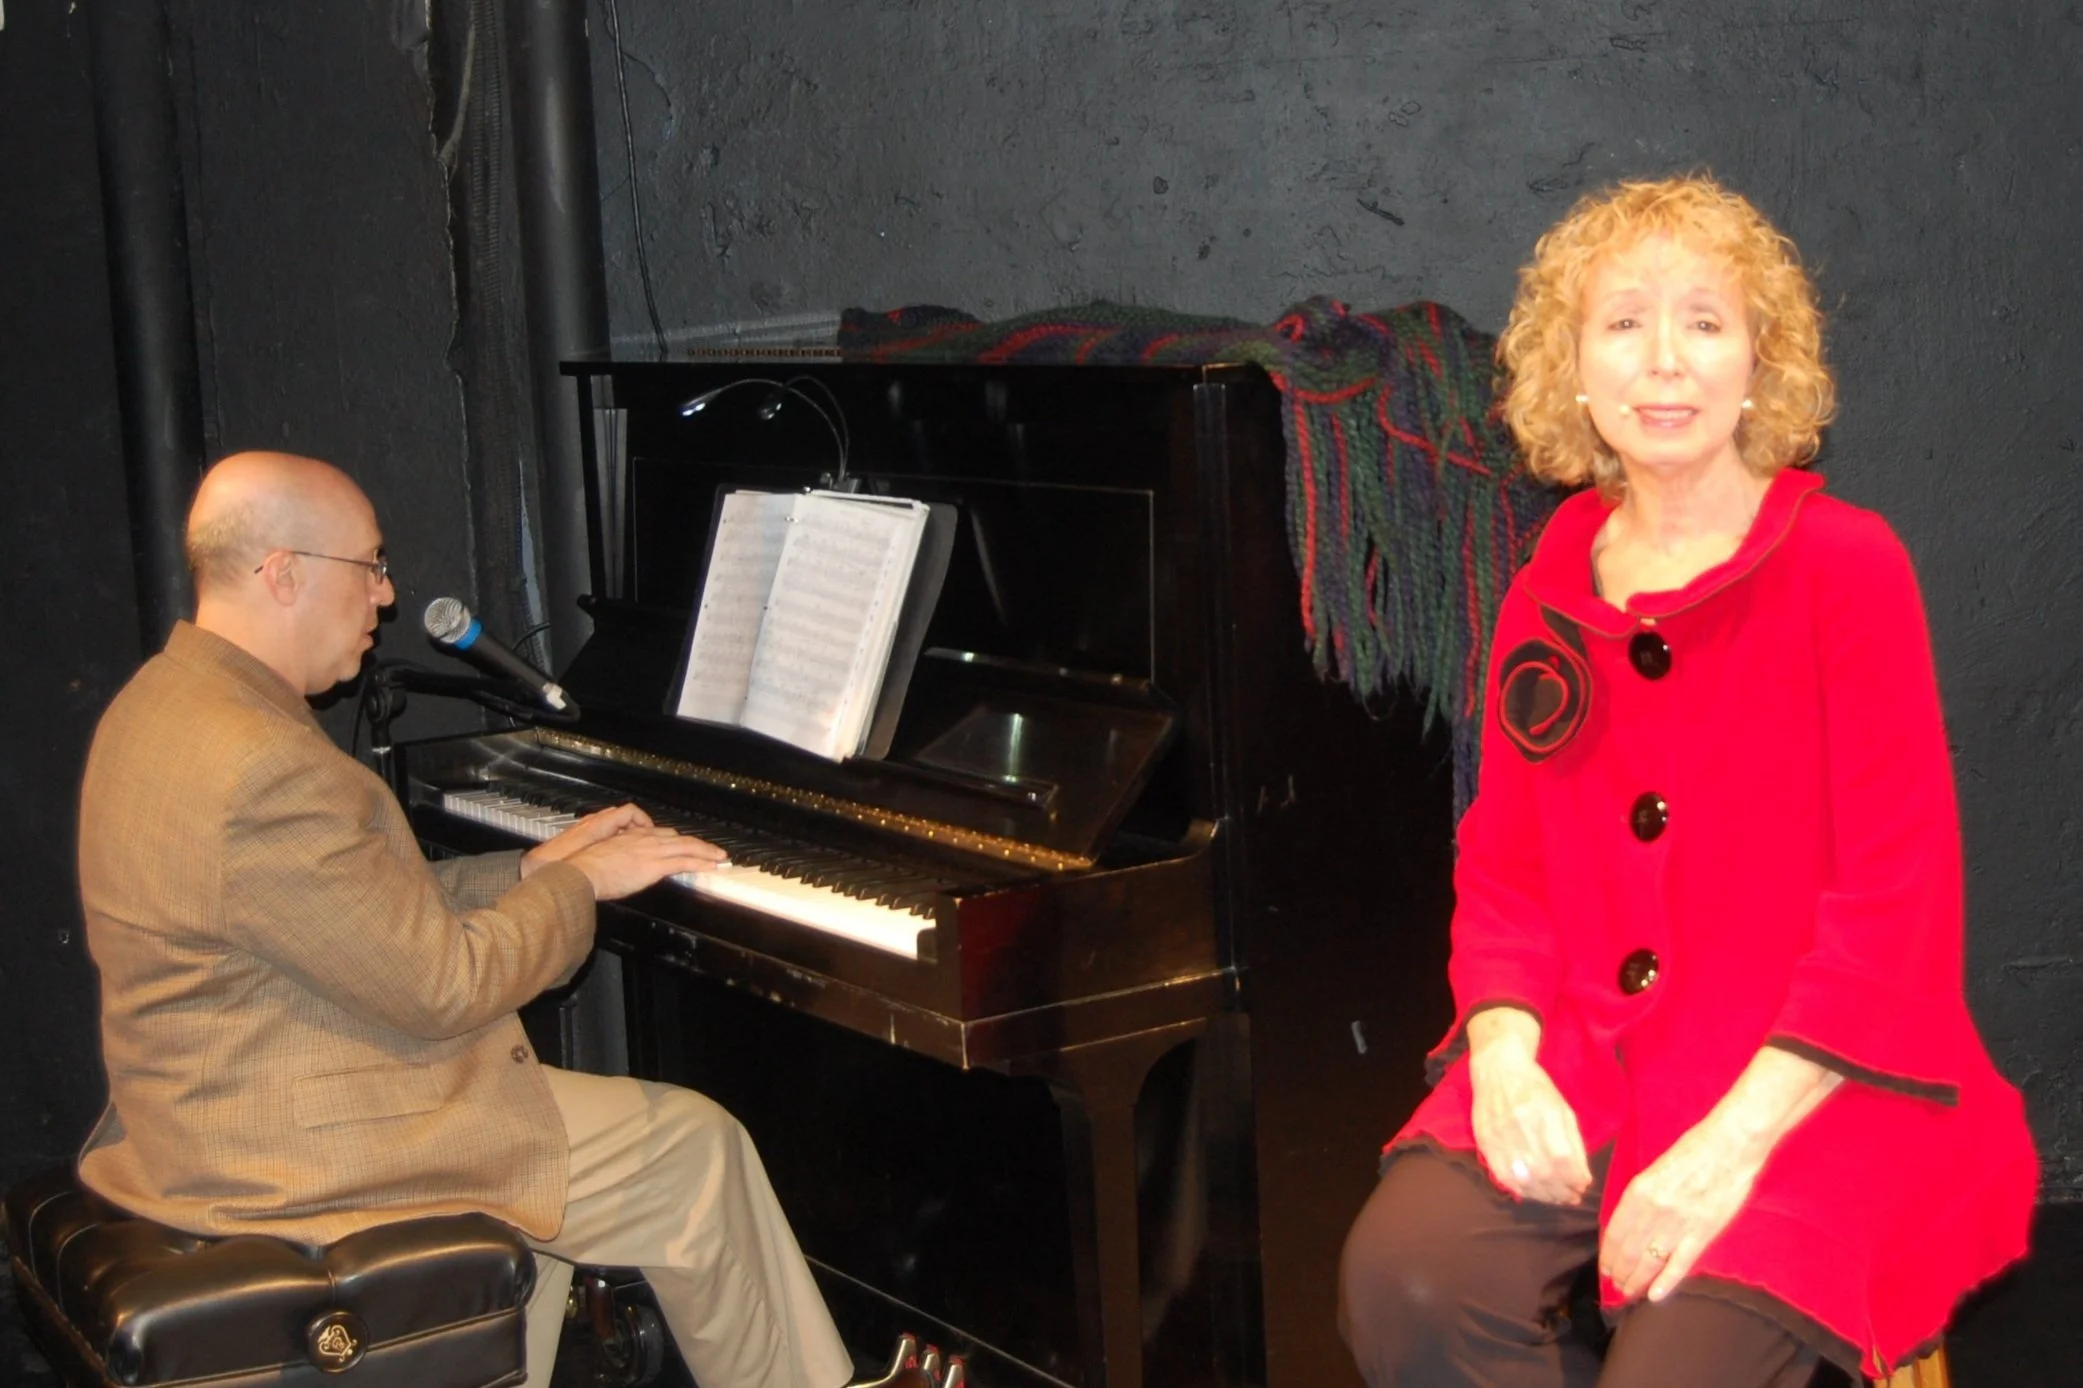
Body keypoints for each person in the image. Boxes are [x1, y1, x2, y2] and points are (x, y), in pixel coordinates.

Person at [1337, 176, 2037, 1386]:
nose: (1664, 359)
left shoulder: (1847, 566)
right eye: (1623, 323)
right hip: (1584, 1051)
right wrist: (1501, 1058)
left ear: (1759, 362)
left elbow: (1895, 907)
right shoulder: (1547, 582)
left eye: (1704, 321)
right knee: (1406, 1279)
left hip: (1815, 1078)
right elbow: (1504, 866)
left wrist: (1727, 1148)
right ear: (1573, 370)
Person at [75, 451, 862, 1388]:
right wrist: (580, 886)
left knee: (547, 1169)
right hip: (288, 1150)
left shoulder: (163, 704)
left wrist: (528, 868)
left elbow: (340, 917)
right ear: (281, 572)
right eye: (369, 565)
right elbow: (445, 986)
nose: (386, 595)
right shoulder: (260, 764)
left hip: (211, 1109)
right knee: (692, 1150)